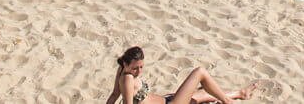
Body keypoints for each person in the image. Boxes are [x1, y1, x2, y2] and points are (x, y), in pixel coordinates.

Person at [105, 46, 258, 104]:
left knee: (200, 93)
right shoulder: (127, 79)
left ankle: (240, 93)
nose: (139, 72)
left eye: (141, 67)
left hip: (166, 99)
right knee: (200, 72)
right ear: (126, 64)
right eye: (135, 68)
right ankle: (228, 101)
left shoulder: (121, 69)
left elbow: (113, 95)